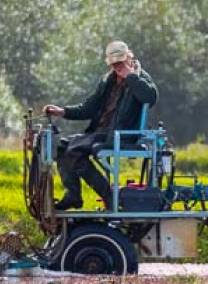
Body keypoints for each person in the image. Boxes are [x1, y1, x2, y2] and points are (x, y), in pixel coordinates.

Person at [43, 41, 158, 210]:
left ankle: (108, 196)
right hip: (100, 132)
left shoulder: (140, 77)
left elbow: (150, 97)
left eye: (120, 63)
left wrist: (131, 77)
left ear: (129, 57)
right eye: (114, 64)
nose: (117, 67)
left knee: (74, 150)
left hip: (119, 134)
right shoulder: (108, 81)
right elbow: (89, 108)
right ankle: (74, 194)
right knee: (62, 147)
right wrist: (63, 112)